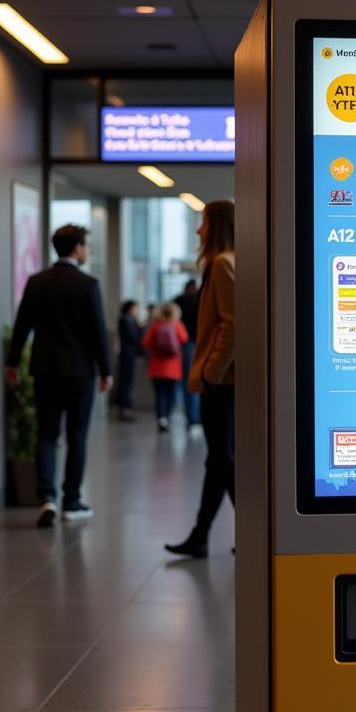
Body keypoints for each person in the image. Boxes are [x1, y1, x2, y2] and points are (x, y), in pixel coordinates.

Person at [4, 224, 113, 527]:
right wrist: (106, 370)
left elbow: (22, 324)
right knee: (77, 436)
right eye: (86, 245)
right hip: (79, 373)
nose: (87, 251)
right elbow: (97, 334)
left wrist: (12, 362)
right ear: (77, 248)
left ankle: (46, 498)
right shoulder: (88, 284)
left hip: (44, 369)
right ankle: (72, 501)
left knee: (47, 435)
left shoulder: (37, 282)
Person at [166, 200, 235, 558]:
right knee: (220, 458)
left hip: (221, 382)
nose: (198, 230)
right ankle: (202, 535)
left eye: (204, 222)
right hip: (223, 381)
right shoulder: (228, 262)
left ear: (218, 226)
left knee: (223, 458)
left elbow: (232, 324)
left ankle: (247, 532)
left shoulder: (222, 264)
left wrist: (211, 371)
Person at [142, 301, 189, 432]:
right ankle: (167, 417)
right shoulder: (177, 325)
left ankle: (161, 418)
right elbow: (185, 339)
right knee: (171, 395)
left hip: (156, 367)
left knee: (160, 395)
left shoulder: (156, 325)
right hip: (173, 368)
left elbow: (146, 343)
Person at [173, 278, 201, 430]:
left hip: (183, 344)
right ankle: (194, 418)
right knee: (194, 380)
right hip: (198, 343)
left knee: (188, 380)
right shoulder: (200, 299)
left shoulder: (178, 300)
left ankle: (192, 418)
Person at [116, 300, 143, 421]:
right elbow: (134, 337)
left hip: (128, 355)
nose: (136, 311)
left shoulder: (128, 320)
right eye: (135, 308)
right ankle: (125, 408)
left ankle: (126, 407)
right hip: (128, 355)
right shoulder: (126, 320)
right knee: (126, 382)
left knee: (127, 382)